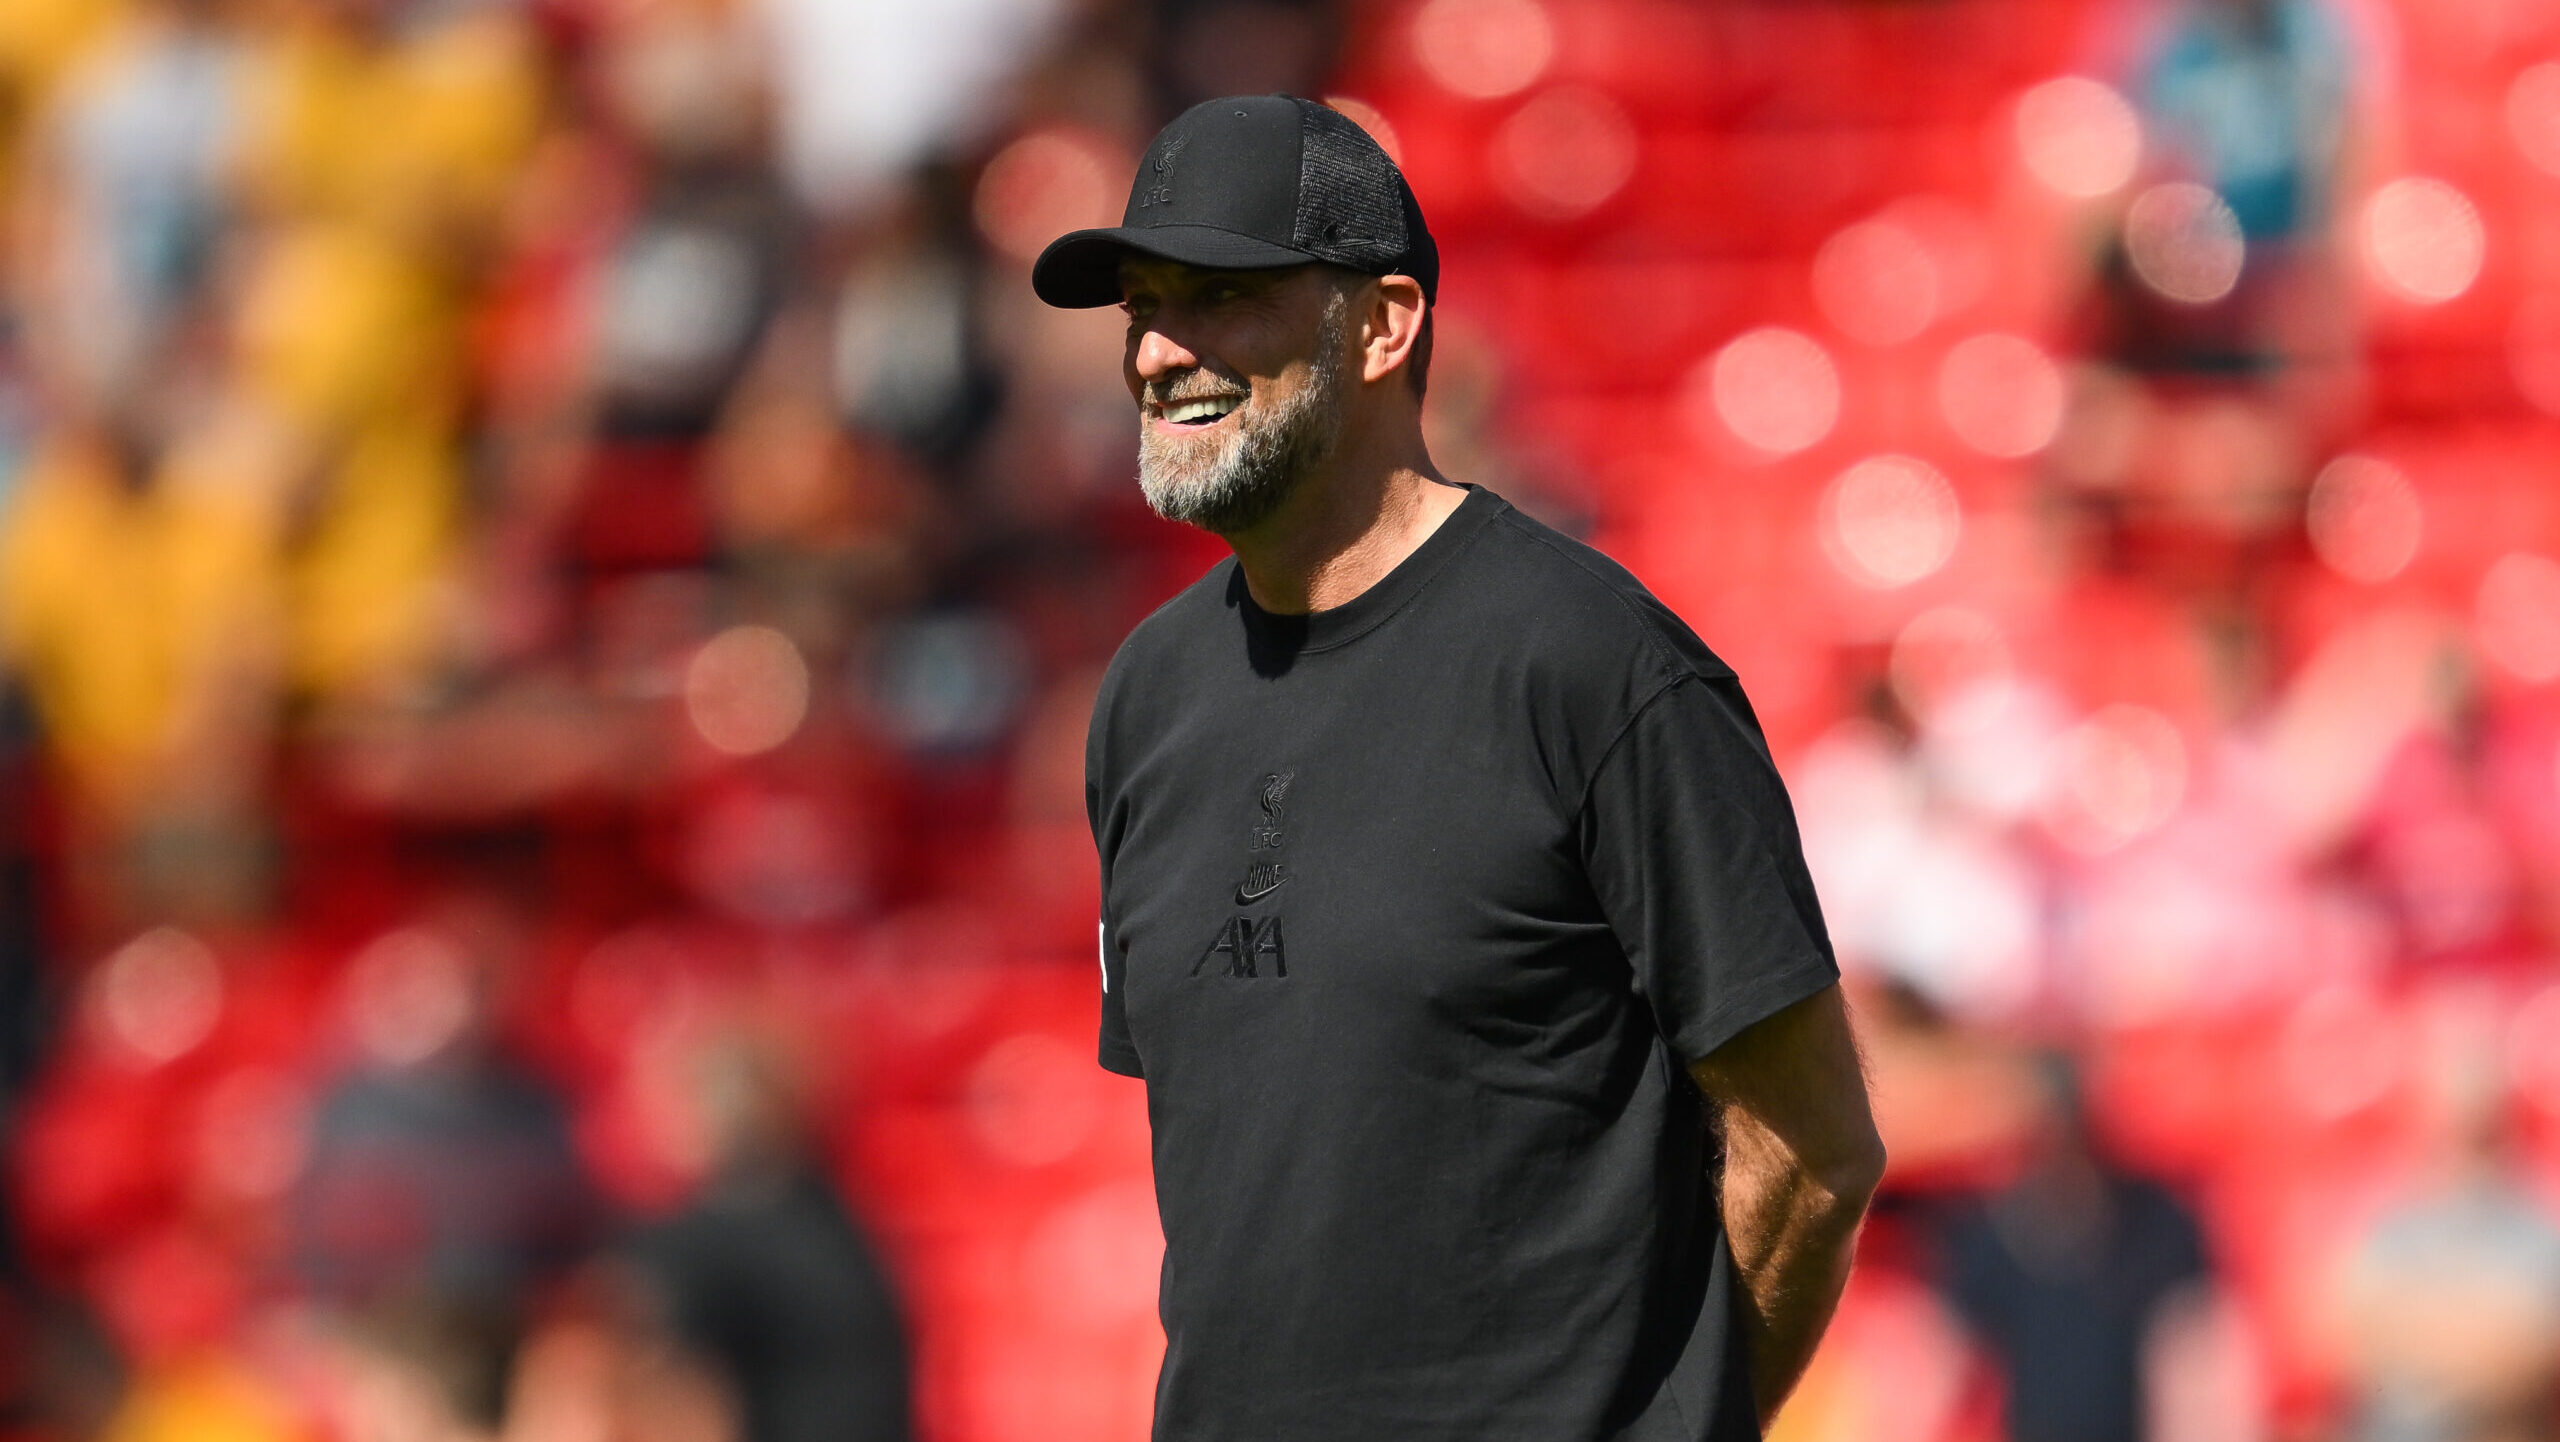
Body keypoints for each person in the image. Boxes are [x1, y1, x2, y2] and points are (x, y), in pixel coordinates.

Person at [1039, 95, 1885, 1440]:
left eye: (1219, 297)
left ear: (1382, 324)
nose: (1155, 351)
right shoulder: (1144, 700)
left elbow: (1815, 1151)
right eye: (1143, 305)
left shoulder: (1597, 668)